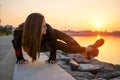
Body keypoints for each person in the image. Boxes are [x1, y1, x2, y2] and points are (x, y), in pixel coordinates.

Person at [12, 13, 103, 64]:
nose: (46, 27)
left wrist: (52, 58)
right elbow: (16, 45)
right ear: (35, 29)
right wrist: (20, 58)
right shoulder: (19, 33)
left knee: (66, 37)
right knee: (58, 42)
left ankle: (84, 52)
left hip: (46, 42)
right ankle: (85, 51)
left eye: (45, 24)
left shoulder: (48, 30)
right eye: (43, 26)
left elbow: (56, 47)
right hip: (36, 46)